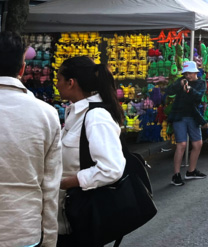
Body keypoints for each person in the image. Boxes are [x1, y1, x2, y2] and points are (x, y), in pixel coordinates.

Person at [56, 56, 126, 245]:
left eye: (59, 79)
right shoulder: (75, 113)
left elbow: (111, 169)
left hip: (83, 215)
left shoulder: (96, 117)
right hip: (68, 217)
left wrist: (66, 182)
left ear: (71, 83)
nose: (56, 84)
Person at [0, 32, 62, 247]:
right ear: (22, 68)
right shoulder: (46, 114)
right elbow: (51, 185)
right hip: (23, 230)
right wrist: (50, 238)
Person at [166, 61, 207, 185]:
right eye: (186, 73)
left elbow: (199, 97)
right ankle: (176, 174)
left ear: (195, 72)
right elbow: (169, 91)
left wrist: (190, 90)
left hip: (193, 117)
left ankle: (191, 171)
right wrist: (180, 84)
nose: (188, 76)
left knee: (198, 144)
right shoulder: (181, 81)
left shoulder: (201, 83)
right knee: (181, 145)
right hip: (180, 116)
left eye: (189, 73)